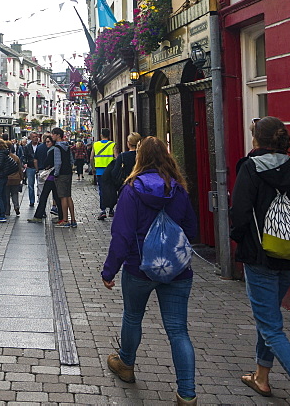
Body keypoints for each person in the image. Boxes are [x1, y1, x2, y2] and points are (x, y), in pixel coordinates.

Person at [229, 117, 290, 406]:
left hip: (259, 257)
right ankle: (261, 377)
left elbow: (241, 214)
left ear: (256, 141)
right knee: (268, 317)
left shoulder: (249, 169)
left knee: (271, 327)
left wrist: (239, 239)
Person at [101, 136, 198, 406]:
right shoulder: (178, 189)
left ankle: (126, 364)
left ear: (139, 158)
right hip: (177, 270)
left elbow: (121, 235)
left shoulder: (132, 190)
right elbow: (191, 230)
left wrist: (109, 271)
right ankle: (187, 394)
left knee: (133, 316)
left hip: (139, 267)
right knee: (178, 330)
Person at [99, 133, 141, 220]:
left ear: (128, 143)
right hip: (141, 185)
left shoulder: (123, 156)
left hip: (126, 185)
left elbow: (115, 172)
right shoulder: (142, 156)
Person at [28, 135, 58, 223]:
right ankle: (41, 214)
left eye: (48, 142)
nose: (46, 143)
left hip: (49, 174)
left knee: (44, 194)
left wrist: (38, 170)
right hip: (50, 175)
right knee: (51, 195)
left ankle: (40, 214)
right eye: (46, 141)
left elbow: (44, 162)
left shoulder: (51, 150)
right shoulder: (53, 149)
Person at [50, 128, 76, 227]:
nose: (52, 136)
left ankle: (65, 220)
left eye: (53, 135)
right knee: (68, 196)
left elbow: (58, 163)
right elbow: (71, 160)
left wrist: (56, 174)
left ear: (57, 135)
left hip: (61, 174)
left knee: (63, 197)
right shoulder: (67, 146)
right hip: (68, 172)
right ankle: (73, 219)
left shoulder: (57, 147)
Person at [92, 129, 116, 219]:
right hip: (110, 171)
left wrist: (93, 168)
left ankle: (102, 210)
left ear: (101, 135)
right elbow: (116, 157)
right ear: (109, 135)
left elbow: (91, 157)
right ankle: (111, 209)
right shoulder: (112, 144)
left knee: (102, 190)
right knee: (111, 190)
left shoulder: (96, 144)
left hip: (99, 171)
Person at [22, 133, 40, 207]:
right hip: (30, 167)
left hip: (39, 167)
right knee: (30, 185)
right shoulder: (27, 147)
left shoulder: (40, 146)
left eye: (36, 137)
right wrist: (25, 163)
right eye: (34, 137)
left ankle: (40, 200)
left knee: (40, 185)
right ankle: (31, 201)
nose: (35, 138)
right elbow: (24, 156)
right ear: (31, 138)